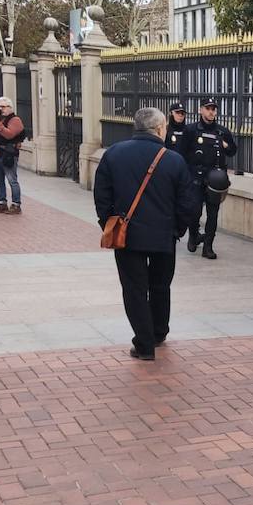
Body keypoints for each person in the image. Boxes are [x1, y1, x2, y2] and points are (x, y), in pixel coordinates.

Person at [93, 107, 201, 361]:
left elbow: (102, 196)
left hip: (128, 235)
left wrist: (108, 223)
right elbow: (189, 203)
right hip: (164, 235)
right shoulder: (174, 159)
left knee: (134, 289)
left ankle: (144, 344)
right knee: (161, 285)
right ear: (161, 128)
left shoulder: (114, 154)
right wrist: (177, 229)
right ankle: (159, 331)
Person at [178, 97, 237, 259]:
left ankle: (208, 246)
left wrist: (226, 145)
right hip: (195, 177)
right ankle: (193, 235)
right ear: (200, 110)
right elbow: (181, 153)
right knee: (194, 211)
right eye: (208, 108)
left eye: (213, 109)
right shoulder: (191, 130)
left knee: (213, 213)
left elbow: (233, 151)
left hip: (215, 179)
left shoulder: (222, 131)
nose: (211, 112)